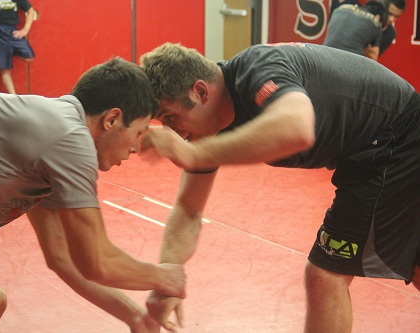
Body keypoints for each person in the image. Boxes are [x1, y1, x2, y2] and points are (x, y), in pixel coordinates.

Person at [139, 42, 420, 332]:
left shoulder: (257, 71)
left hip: (397, 138)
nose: (174, 132)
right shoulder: (208, 125)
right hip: (380, 146)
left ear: (200, 92)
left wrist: (196, 154)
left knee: (325, 276)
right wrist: (168, 275)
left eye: (171, 117)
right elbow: (187, 208)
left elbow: (297, 128)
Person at [0, 57, 186, 332]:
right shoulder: (68, 137)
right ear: (112, 119)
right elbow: (96, 260)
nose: (135, 147)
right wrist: (165, 277)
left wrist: (135, 316)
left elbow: (63, 257)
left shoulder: (52, 138)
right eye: (139, 132)